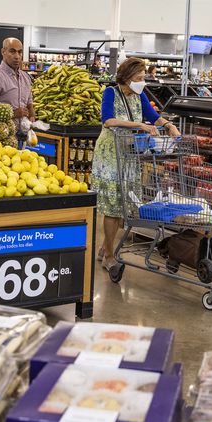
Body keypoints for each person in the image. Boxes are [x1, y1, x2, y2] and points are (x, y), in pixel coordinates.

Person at [91, 57, 180, 271]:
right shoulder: (111, 93)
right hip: (111, 155)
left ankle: (105, 247)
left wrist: (169, 126)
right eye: (139, 78)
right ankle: (109, 255)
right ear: (128, 77)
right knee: (112, 207)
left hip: (130, 155)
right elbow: (108, 120)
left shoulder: (139, 95)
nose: (143, 82)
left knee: (125, 204)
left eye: (144, 78)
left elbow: (153, 115)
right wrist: (139, 125)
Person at [0, 37, 35, 143]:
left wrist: (32, 116)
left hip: (22, 136)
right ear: (3, 52)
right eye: (12, 51)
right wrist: (14, 113)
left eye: (20, 52)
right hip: (2, 138)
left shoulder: (25, 77)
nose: (17, 56)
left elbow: (29, 102)